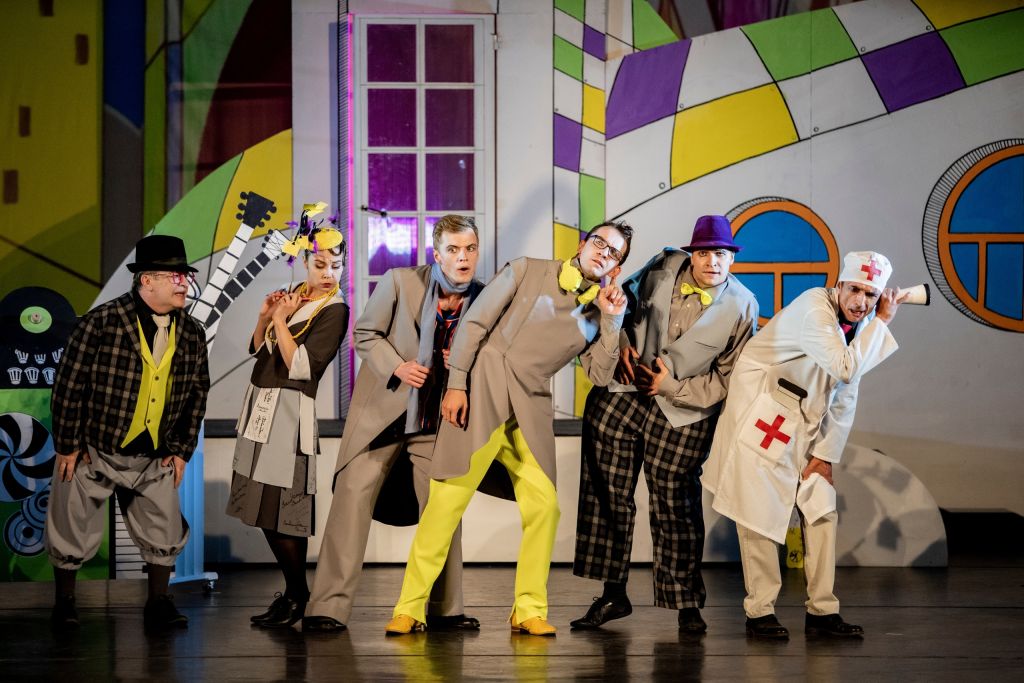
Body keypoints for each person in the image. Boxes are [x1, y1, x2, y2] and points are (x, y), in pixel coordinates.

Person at [385, 221, 633, 637]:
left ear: (617, 267)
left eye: (614, 253)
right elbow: (474, 324)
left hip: (530, 407)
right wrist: (458, 384)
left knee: (545, 507)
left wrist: (613, 320)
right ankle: (409, 608)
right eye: (599, 243)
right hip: (483, 390)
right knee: (445, 502)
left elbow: (600, 374)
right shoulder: (526, 269)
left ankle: (528, 609)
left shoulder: (602, 310)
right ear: (582, 244)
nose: (603, 253)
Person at [702, 251, 909, 640]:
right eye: (854, 290)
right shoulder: (814, 308)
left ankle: (822, 611)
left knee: (821, 511)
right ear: (839, 285)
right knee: (758, 515)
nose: (860, 302)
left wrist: (825, 455)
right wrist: (882, 320)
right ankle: (760, 611)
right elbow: (845, 367)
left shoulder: (861, 326)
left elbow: (847, 394)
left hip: (808, 424)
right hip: (764, 414)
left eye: (870, 295)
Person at [571, 215, 758, 634]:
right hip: (622, 394)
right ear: (692, 254)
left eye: (721, 254)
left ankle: (685, 603)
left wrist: (671, 387)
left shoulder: (744, 305)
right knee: (607, 495)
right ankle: (612, 594)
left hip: (683, 412)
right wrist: (620, 342)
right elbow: (617, 301)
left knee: (676, 505)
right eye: (704, 253)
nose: (712, 262)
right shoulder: (663, 264)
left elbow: (728, 379)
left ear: (732, 259)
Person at [302, 215, 485, 633]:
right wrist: (399, 366)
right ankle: (326, 607)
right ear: (437, 254)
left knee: (443, 508)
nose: (463, 258)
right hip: (382, 412)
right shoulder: (401, 281)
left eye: (470, 249)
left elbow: (490, 357)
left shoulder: (485, 296)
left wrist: (464, 369)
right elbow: (365, 335)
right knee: (351, 499)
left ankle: (445, 608)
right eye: (454, 250)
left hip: (436, 419)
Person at [46, 234, 210, 630]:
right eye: (176, 277)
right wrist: (68, 444)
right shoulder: (102, 322)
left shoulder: (191, 331)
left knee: (163, 527)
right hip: (95, 446)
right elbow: (69, 385)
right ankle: (65, 602)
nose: (184, 283)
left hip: (154, 451)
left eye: (185, 276)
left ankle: (158, 601)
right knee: (70, 522)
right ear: (147, 280)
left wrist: (182, 449)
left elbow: (197, 393)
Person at [226, 217, 349, 629]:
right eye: (320, 265)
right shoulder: (295, 293)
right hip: (261, 405)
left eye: (336, 266)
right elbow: (258, 350)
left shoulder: (335, 310)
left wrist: (281, 320)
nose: (328, 273)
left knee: (283, 506)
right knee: (261, 506)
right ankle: (295, 594)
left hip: (289, 412)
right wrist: (266, 316)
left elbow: (302, 367)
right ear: (305, 264)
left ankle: (299, 596)